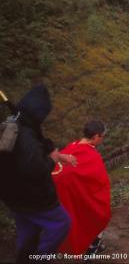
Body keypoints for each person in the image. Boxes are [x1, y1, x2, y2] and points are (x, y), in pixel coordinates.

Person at [0, 84, 76, 263]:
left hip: (12, 195)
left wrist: (55, 154)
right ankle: (39, 258)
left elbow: (39, 140)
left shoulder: (15, 123)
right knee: (61, 224)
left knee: (28, 230)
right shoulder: (27, 139)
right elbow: (35, 168)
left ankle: (24, 258)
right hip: (33, 198)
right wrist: (53, 160)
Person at [51, 120, 111, 255]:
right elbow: (100, 182)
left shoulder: (72, 145)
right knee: (99, 215)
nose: (103, 139)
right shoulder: (92, 156)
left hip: (62, 193)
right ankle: (92, 248)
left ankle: (91, 244)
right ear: (96, 137)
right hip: (77, 193)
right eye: (102, 136)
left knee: (77, 220)